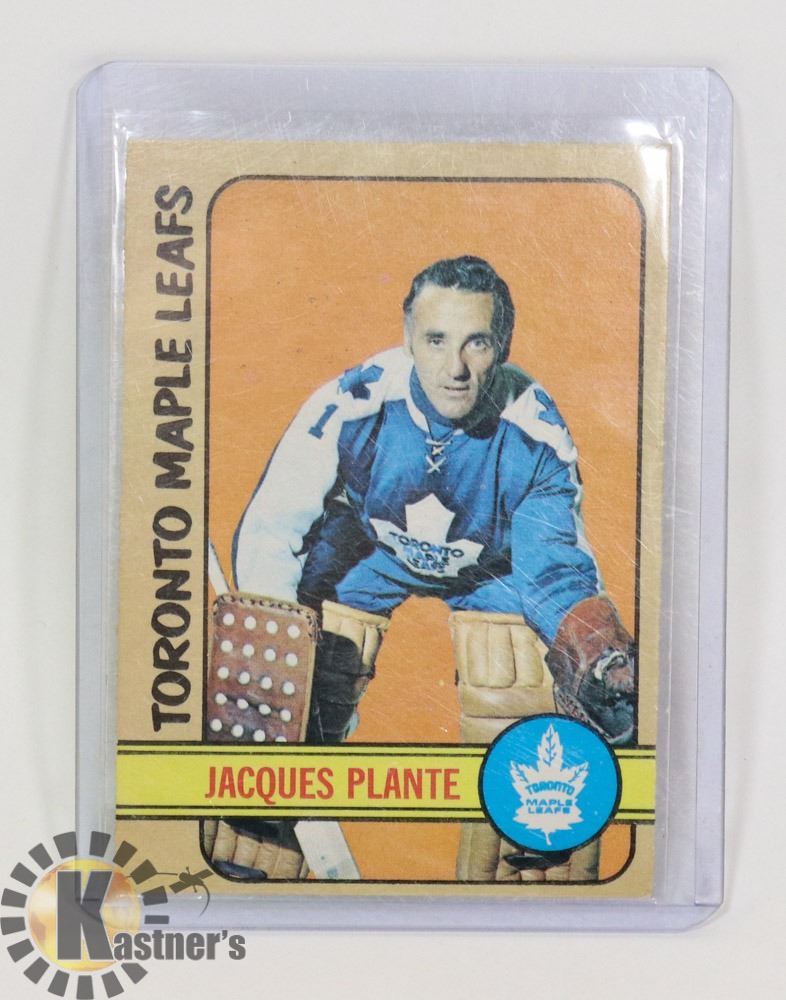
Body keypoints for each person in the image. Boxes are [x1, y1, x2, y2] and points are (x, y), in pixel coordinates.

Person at [213, 255, 635, 882]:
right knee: (309, 669)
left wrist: (596, 650)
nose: (454, 367)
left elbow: (553, 565)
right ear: (409, 336)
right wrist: (273, 656)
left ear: (503, 346)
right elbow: (274, 526)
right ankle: (259, 848)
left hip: (495, 569)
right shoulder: (353, 403)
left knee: (518, 688)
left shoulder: (536, 431)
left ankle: (525, 866)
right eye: (436, 340)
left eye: (476, 343)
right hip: (371, 555)